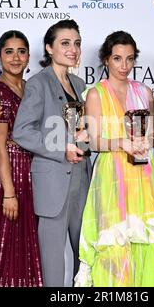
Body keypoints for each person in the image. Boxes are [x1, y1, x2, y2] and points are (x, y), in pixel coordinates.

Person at [74, 31, 154, 287]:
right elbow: (94, 141)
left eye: (130, 59)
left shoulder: (145, 92)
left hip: (143, 173)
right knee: (115, 241)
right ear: (106, 60)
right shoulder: (96, 94)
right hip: (112, 174)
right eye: (118, 59)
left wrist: (151, 140)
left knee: (147, 236)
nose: (124, 66)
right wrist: (124, 143)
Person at [13, 19, 91, 287]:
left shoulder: (81, 85)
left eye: (77, 43)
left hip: (83, 180)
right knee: (53, 262)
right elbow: (22, 131)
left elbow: (85, 130)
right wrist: (62, 149)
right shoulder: (38, 83)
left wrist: (89, 137)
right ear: (49, 48)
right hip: (53, 181)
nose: (73, 49)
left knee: (87, 258)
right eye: (65, 43)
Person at [0, 30, 43, 287]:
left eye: (21, 51)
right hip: (7, 174)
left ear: (29, 56)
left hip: (33, 173)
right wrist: (8, 192)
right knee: (6, 240)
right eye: (9, 52)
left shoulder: (32, 88)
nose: (16, 58)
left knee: (29, 241)